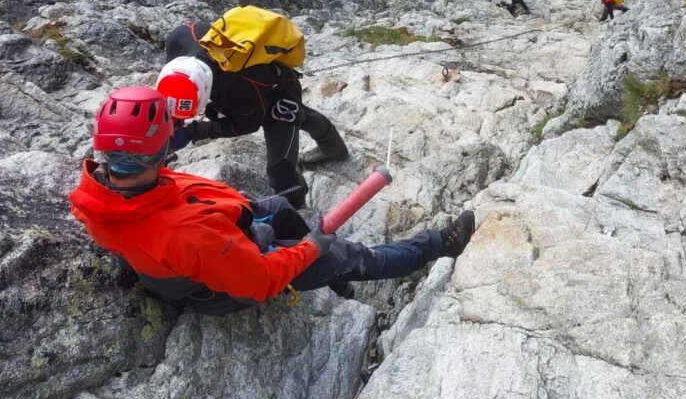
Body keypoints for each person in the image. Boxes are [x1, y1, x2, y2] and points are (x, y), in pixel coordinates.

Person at [69, 86, 476, 315]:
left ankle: (324, 273)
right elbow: (258, 280)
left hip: (217, 234)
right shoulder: (182, 232)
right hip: (229, 279)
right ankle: (439, 243)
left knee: (281, 209)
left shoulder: (103, 189)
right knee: (349, 256)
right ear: (160, 150)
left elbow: (181, 211)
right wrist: (310, 249)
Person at [163, 16, 349, 209]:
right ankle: (333, 146)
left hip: (278, 93)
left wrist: (194, 131)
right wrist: (171, 125)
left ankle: (298, 211)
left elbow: (247, 125)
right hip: (257, 82)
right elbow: (178, 89)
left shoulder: (239, 86)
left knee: (280, 173)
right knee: (301, 115)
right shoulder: (180, 38)